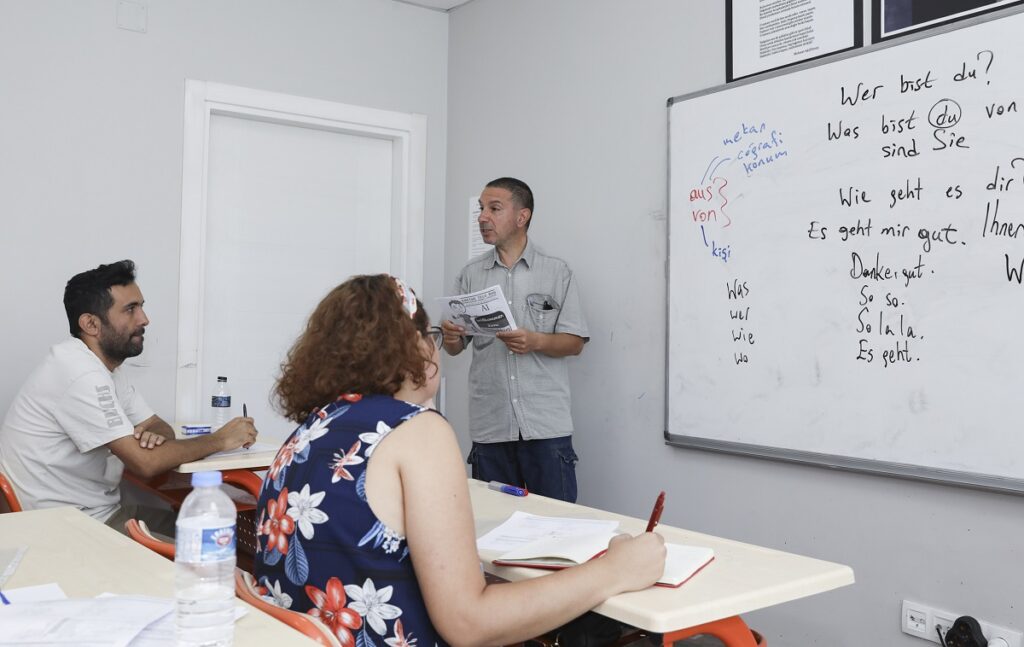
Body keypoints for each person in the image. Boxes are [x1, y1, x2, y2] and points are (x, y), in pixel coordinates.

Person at [254, 274, 664, 647]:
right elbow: (468, 624)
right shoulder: (417, 430)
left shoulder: (309, 431)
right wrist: (616, 570)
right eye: (429, 335)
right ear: (411, 345)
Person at [0, 260, 257, 535]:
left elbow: (159, 426)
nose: (144, 319)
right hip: (65, 530)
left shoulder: (106, 367)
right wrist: (221, 439)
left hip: (98, 515)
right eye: (130, 309)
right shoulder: (79, 373)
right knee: (213, 547)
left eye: (141, 306)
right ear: (90, 324)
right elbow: (146, 464)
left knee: (218, 533)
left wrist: (149, 437)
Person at [442, 177, 588, 502]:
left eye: (494, 209)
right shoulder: (470, 275)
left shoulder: (556, 272)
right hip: (490, 427)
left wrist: (535, 341)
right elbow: (454, 349)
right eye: (481, 209)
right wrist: (452, 336)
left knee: (556, 528)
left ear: (522, 217)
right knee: (495, 531)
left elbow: (575, 342)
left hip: (545, 429)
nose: (482, 217)